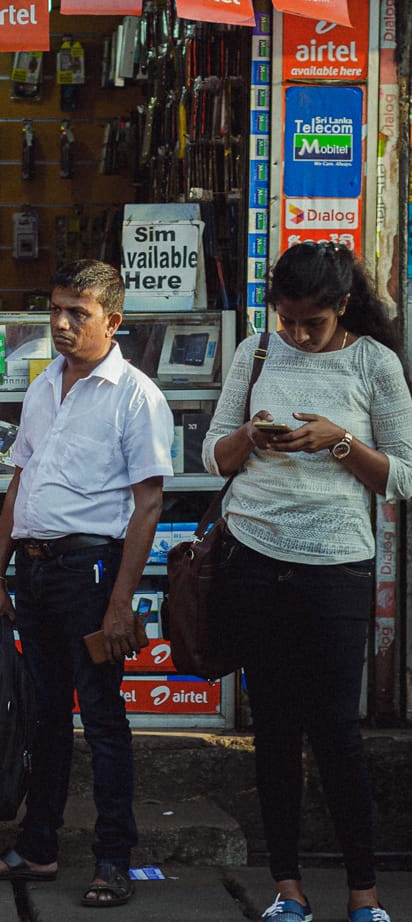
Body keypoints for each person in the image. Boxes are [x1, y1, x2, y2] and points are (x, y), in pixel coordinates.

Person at [0, 260, 173, 909]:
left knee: (102, 718)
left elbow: (149, 504)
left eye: (77, 313)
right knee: (45, 715)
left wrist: (119, 602)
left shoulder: (136, 395)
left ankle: (113, 858)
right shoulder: (42, 385)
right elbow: (17, 483)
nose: (60, 323)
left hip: (91, 572)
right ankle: (39, 846)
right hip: (35, 569)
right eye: (55, 309)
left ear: (114, 319)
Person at [203, 242, 411, 922]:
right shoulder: (256, 351)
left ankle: (365, 894)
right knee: (274, 729)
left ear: (342, 306)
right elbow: (213, 454)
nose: (295, 334)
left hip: (335, 570)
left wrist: (339, 442)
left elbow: (404, 476)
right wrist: (252, 437)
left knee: (336, 732)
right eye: (286, 319)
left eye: (310, 323)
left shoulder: (375, 364)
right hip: (254, 559)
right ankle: (286, 888)